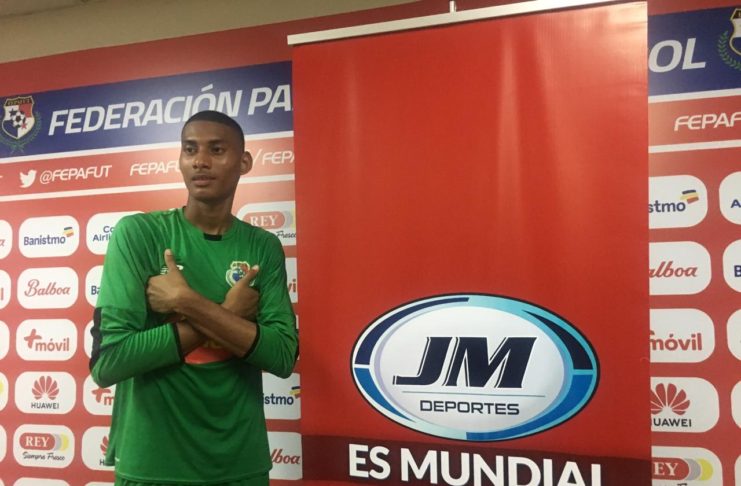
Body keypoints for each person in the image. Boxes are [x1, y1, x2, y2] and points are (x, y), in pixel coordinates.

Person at [90, 110, 298, 486]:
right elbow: (109, 362)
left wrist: (187, 303)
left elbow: (282, 356)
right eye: (190, 149)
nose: (200, 160)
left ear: (244, 162)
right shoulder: (139, 234)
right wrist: (228, 314)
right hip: (152, 465)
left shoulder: (263, 246)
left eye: (216, 150)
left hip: (240, 463)